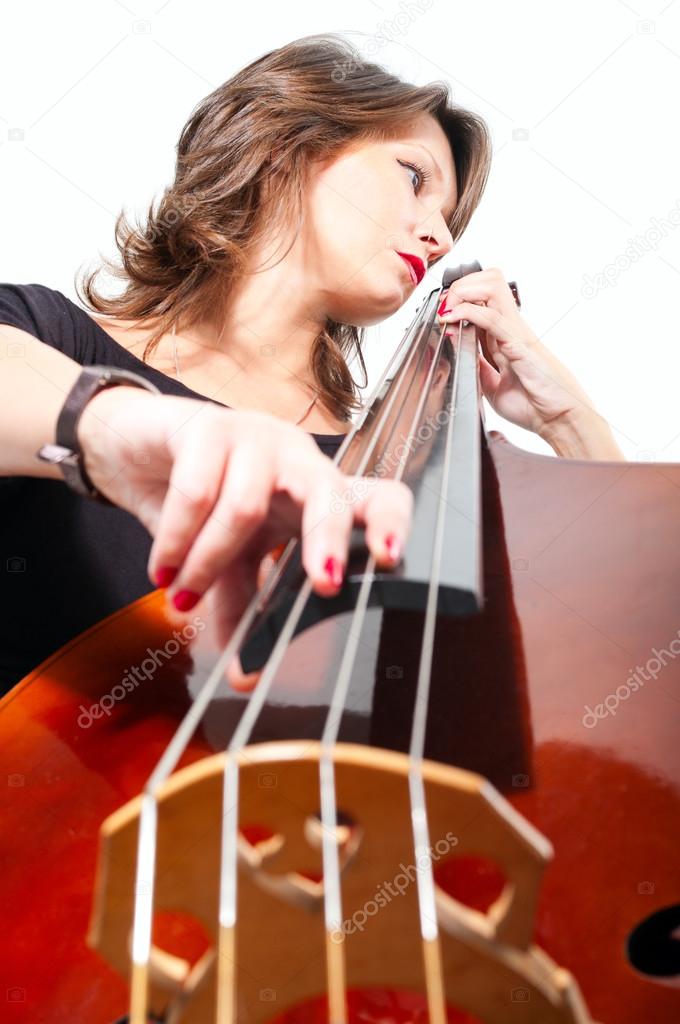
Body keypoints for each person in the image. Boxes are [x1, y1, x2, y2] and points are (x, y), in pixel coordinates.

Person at [0, 34, 623, 696]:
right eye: (414, 179)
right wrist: (116, 424)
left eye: (448, 223)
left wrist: (571, 420)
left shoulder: (389, 472)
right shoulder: (50, 335)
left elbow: (618, 641)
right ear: (284, 146)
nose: (440, 239)